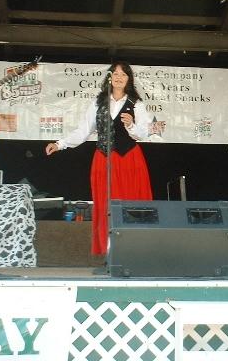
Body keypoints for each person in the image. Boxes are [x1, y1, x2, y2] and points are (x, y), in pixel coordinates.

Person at [45, 61, 153, 256]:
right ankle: (109, 254)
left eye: (124, 74)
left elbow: (143, 133)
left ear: (129, 79)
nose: (119, 77)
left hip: (128, 160)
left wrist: (131, 126)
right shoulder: (98, 103)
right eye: (116, 73)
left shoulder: (136, 104)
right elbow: (83, 131)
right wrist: (60, 144)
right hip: (103, 159)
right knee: (105, 206)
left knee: (129, 205)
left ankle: (131, 253)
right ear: (110, 77)